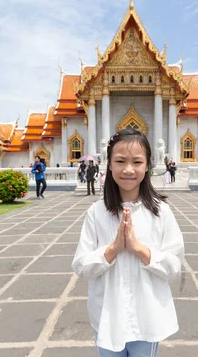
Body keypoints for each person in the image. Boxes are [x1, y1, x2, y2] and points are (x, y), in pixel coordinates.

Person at [72, 129, 184, 356]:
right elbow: (81, 266)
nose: (129, 169)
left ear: (147, 166)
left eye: (137, 162)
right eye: (120, 161)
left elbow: (174, 266)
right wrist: (112, 250)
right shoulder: (96, 213)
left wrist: (139, 249)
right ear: (109, 165)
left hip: (147, 317)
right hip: (107, 317)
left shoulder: (161, 212)